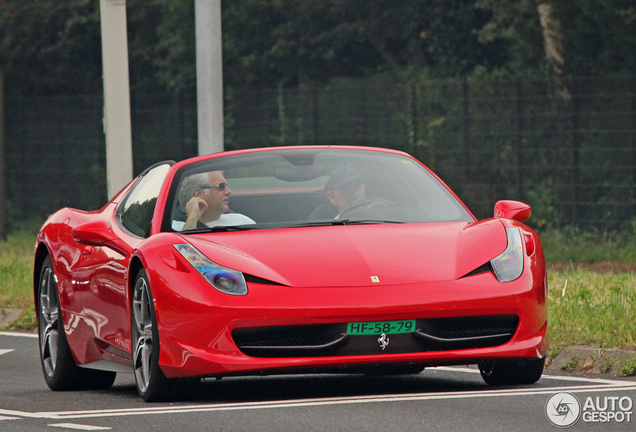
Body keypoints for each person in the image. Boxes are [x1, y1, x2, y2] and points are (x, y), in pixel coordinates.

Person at [172, 171, 255, 230]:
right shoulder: (175, 228)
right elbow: (186, 252)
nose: (229, 191)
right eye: (221, 186)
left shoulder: (242, 221)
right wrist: (193, 217)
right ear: (200, 194)